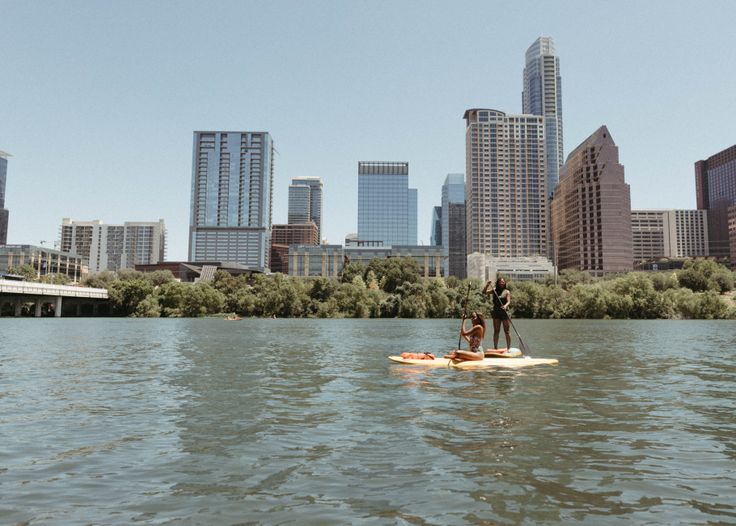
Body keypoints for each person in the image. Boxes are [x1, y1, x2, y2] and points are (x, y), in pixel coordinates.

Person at [483, 277, 511, 351]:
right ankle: (495, 348)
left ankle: (508, 348)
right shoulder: (494, 290)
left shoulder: (507, 291)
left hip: (504, 313)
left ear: (505, 283)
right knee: (496, 331)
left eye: (503, 282)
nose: (501, 283)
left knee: (507, 331)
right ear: (498, 283)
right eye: (500, 282)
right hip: (496, 313)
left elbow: (508, 302)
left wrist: (505, 305)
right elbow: (484, 292)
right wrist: (487, 285)